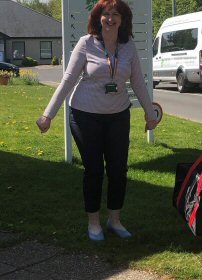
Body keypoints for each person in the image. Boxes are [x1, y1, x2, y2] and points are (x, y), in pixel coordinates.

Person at [35, 0, 158, 241]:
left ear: (123, 20)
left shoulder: (128, 46)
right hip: (85, 115)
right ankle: (93, 223)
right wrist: (48, 114)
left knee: (118, 170)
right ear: (98, 17)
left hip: (118, 116)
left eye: (116, 14)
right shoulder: (86, 44)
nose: (110, 19)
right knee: (93, 170)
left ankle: (114, 220)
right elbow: (68, 80)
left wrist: (149, 112)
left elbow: (138, 83)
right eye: (106, 14)